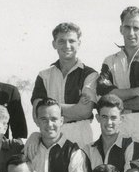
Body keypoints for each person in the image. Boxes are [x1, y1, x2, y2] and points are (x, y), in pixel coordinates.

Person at [97, 6, 139, 146]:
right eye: (127, 27)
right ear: (121, 29)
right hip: (118, 125)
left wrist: (115, 104)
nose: (131, 33)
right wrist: (135, 91)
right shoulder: (110, 61)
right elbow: (102, 94)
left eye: (136, 28)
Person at [32, 22, 98, 150]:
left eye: (71, 41)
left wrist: (48, 108)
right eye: (61, 41)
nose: (67, 46)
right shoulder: (43, 76)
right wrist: (74, 108)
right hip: (51, 136)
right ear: (54, 44)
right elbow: (37, 113)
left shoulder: (90, 74)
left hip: (80, 136)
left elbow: (85, 111)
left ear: (79, 43)